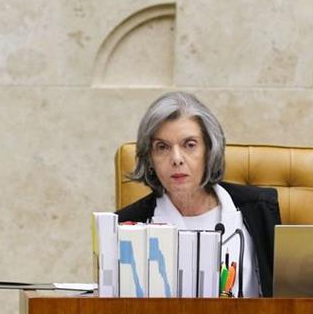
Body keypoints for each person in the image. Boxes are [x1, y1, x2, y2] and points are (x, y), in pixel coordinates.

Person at [117, 92, 280, 297]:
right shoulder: (127, 224)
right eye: (162, 147)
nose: (176, 159)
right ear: (149, 159)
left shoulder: (259, 210)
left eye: (190, 145)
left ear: (209, 150)